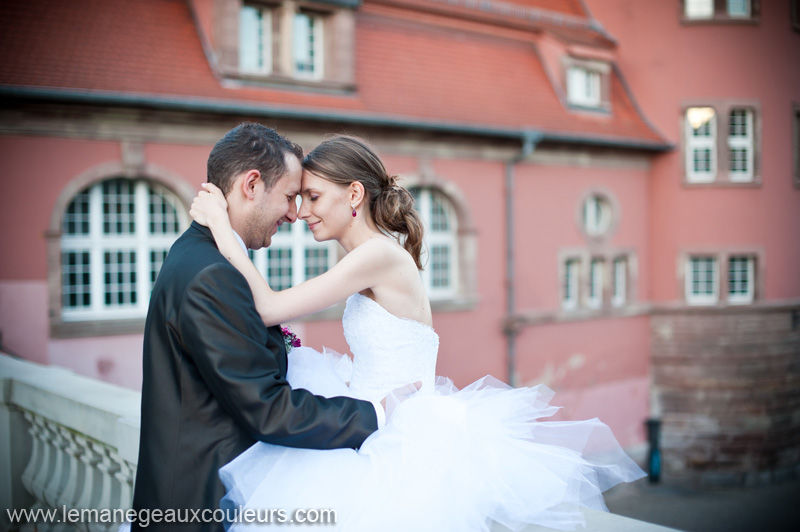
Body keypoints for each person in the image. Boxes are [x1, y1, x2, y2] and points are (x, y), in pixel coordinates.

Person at [190, 135, 646, 531]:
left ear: (353, 194)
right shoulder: (366, 257)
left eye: (312, 196)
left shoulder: (377, 257)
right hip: (376, 420)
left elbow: (268, 307)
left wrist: (222, 227)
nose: (300, 211)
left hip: (402, 438)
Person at [130, 124, 412, 532]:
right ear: (251, 185)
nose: (296, 213)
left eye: (309, 198)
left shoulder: (198, 255)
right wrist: (376, 414)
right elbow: (267, 409)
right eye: (291, 196)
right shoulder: (212, 274)